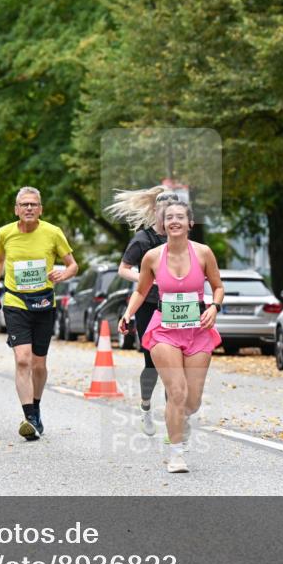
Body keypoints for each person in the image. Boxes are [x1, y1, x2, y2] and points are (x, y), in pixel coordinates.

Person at [119, 199, 224, 474]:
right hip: (164, 330)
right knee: (176, 392)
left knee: (192, 400)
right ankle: (176, 455)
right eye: (169, 218)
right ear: (163, 225)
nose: (174, 221)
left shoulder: (203, 253)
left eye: (180, 216)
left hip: (198, 331)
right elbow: (141, 291)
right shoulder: (152, 257)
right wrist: (128, 314)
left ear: (190, 223)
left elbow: (218, 286)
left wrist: (214, 306)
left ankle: (185, 419)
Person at [0, 187, 78, 441]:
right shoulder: (5, 233)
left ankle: (35, 406)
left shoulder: (53, 232)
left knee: (39, 364)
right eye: (24, 204)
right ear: (16, 209)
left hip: (44, 303)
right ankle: (29, 416)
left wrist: (63, 273)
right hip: (16, 301)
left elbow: (73, 265)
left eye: (33, 204)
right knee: (23, 359)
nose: (29, 208)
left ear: (40, 209)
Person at [107, 186, 173, 435]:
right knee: (153, 363)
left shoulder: (180, 238)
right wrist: (146, 279)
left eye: (174, 212)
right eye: (165, 211)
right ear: (156, 211)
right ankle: (146, 406)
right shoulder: (143, 240)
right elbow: (123, 268)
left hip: (176, 307)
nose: (170, 217)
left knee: (174, 363)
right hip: (148, 305)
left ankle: (172, 418)